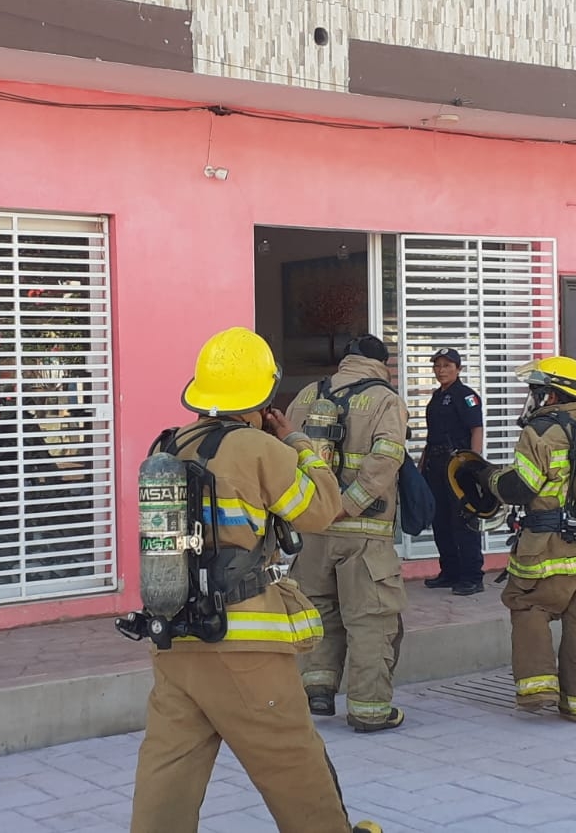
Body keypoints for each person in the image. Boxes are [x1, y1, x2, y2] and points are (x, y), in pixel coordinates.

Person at [129, 327, 382, 833]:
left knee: (169, 766)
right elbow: (321, 510)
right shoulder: (258, 449)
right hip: (244, 642)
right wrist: (297, 440)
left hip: (175, 636)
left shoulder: (171, 445)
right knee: (292, 760)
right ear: (263, 395)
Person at [448, 357, 576, 722]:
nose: (534, 399)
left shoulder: (539, 432)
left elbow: (518, 488)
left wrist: (484, 473)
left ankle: (537, 689)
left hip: (546, 551)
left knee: (528, 606)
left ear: (552, 394)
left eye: (537, 392)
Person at [286, 334, 409, 733]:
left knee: (319, 609)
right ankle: (370, 710)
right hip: (364, 533)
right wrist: (349, 503)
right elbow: (387, 458)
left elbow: (285, 451)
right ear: (381, 364)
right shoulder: (386, 400)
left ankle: (318, 691)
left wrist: (311, 508)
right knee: (370, 620)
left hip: (313, 531)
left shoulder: (306, 395)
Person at [418, 347, 486, 595]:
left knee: (463, 520)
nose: (441, 370)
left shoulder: (466, 396)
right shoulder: (437, 396)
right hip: (435, 465)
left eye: (447, 366)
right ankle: (450, 572)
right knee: (441, 520)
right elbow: (432, 436)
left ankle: (472, 576)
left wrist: (473, 464)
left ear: (459, 369)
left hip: (458, 465)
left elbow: (476, 429)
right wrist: (422, 464)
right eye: (437, 366)